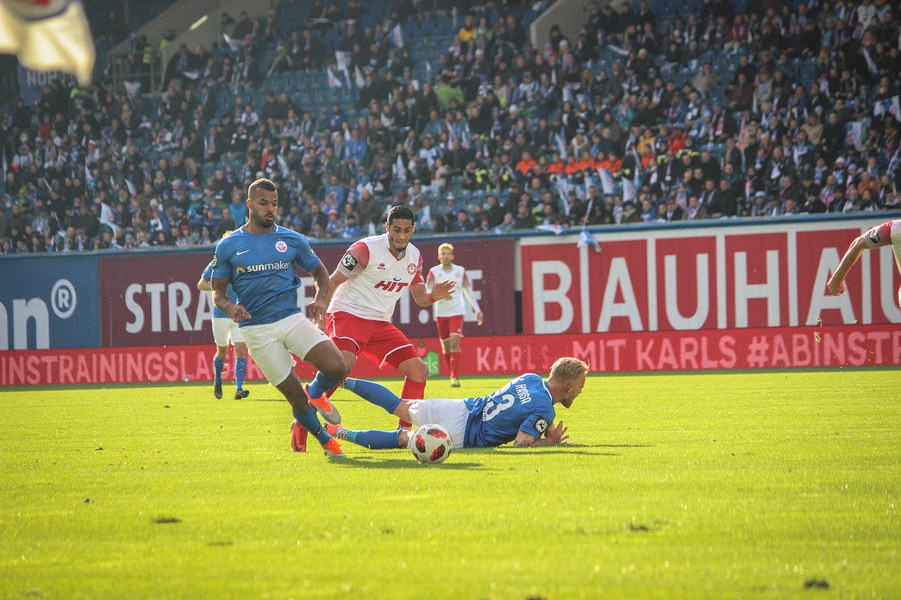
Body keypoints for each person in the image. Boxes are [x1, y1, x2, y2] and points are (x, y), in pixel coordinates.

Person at [211, 178, 348, 457]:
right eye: (264, 203)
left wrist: (320, 300)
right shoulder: (228, 245)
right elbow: (218, 292)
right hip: (256, 330)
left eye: (274, 204)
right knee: (295, 397)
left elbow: (321, 273)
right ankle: (325, 441)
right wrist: (229, 307)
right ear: (249, 204)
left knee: (337, 367)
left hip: (290, 319)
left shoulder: (291, 239)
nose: (270, 209)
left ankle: (316, 393)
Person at [302, 205, 455, 429]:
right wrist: (322, 315)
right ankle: (303, 419)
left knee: (419, 370)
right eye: (396, 230)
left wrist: (434, 296)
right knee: (342, 365)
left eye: (406, 230)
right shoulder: (365, 249)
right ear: (387, 227)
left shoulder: (415, 257)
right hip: (347, 314)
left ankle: (405, 433)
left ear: (413, 229)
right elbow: (332, 281)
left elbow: (421, 298)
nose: (401, 236)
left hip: (380, 323)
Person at [325, 357, 589, 451]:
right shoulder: (545, 409)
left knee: (400, 405)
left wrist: (544, 423)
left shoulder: (530, 378)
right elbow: (521, 444)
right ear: (568, 387)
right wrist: (549, 442)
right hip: (463, 435)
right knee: (404, 439)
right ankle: (339, 432)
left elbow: (523, 406)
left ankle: (342, 380)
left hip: (461, 407)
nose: (580, 392)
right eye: (579, 387)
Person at [197, 233, 250, 400]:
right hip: (221, 314)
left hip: (238, 313)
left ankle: (239, 388)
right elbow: (201, 284)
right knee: (222, 351)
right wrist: (217, 288)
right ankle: (218, 379)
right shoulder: (216, 263)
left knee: (240, 349)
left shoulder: (243, 262)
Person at [425, 243, 484, 387]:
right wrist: (440, 295)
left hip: (457, 311)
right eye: (443, 254)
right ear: (439, 256)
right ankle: (452, 372)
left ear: (452, 256)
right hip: (441, 313)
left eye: (448, 254)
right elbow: (427, 290)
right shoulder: (433, 272)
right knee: (446, 347)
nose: (446, 256)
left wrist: (477, 310)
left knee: (455, 342)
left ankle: (454, 376)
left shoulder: (460, 271)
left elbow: (468, 291)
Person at [827, 219, 901, 311]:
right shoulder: (893, 229)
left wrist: (837, 279)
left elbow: (860, 243)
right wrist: (837, 279)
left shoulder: (894, 229)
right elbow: (860, 243)